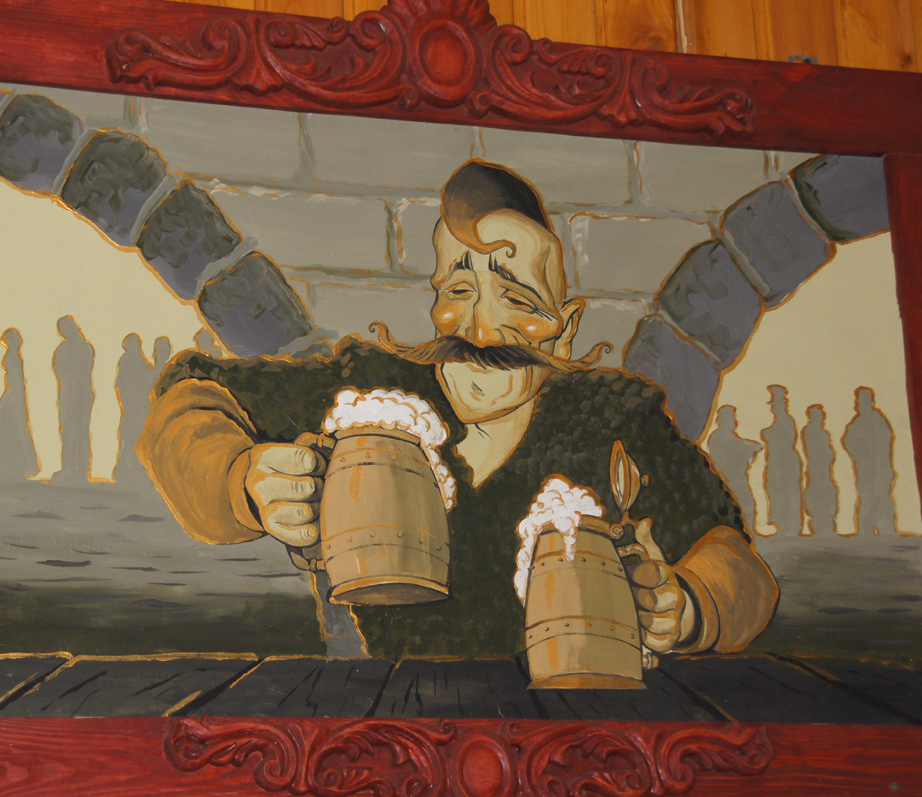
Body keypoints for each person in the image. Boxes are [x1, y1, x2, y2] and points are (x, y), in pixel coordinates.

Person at [138, 160, 778, 659]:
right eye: (461, 290)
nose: (482, 327)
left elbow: (734, 560)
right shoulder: (373, 390)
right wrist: (242, 483)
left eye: (518, 299)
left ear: (566, 326)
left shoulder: (613, 418)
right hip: (397, 725)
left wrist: (688, 606)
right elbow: (190, 396)